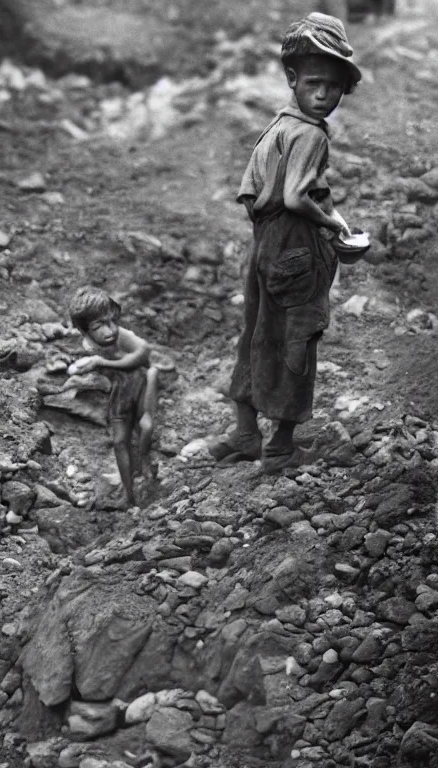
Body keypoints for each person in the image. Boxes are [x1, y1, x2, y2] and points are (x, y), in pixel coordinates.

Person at [210, 12, 362, 473]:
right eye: (315, 83)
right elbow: (298, 196)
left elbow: (256, 197)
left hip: (264, 248)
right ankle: (280, 447)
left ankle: (244, 431)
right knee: (298, 337)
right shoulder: (311, 134)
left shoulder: (275, 127)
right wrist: (334, 228)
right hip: (296, 248)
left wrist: (328, 213)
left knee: (257, 333)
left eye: (333, 88)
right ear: (293, 79)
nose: (324, 95)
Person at [68, 286, 158, 507]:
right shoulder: (88, 346)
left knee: (144, 429)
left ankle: (147, 467)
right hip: (120, 393)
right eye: (99, 326)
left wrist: (104, 363)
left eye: (111, 321)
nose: (109, 330)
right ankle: (128, 495)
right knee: (119, 441)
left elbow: (142, 352)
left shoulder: (122, 337)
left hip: (141, 385)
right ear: (85, 331)